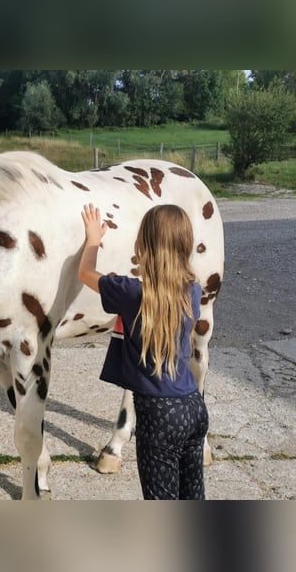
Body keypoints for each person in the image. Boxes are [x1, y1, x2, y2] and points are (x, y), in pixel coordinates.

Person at [78, 203, 209, 500]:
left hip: (158, 414)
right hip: (194, 407)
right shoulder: (193, 290)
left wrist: (93, 240)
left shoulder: (131, 292)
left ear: (143, 245)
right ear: (185, 244)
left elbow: (85, 272)